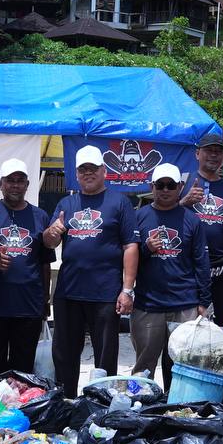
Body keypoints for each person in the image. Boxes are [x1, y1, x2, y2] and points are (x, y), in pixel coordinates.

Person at [43, 145, 139, 396]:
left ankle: (101, 403)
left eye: (92, 169)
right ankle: (65, 402)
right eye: (83, 169)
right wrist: (51, 234)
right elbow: (49, 242)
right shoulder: (67, 202)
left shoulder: (120, 202)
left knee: (105, 356)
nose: (88, 174)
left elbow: (130, 246)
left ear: (103, 171)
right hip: (69, 291)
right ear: (76, 173)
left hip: (106, 293)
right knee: (64, 354)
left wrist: (127, 289)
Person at [130, 164, 211, 385]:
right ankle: (139, 410)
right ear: (151, 186)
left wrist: (204, 301)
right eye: (160, 185)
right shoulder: (139, 216)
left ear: (180, 187)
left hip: (184, 304)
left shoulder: (192, 220)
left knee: (182, 366)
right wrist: (146, 248)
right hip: (148, 304)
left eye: (171, 185)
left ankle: (176, 410)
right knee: (143, 366)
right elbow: (127, 260)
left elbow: (201, 263)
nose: (165, 190)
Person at [0, 159, 54, 377]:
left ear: (27, 184)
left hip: (28, 304)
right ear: (0, 184)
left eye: (20, 181)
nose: (15, 185)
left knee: (22, 368)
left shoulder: (40, 216)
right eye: (10, 181)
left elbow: (44, 262)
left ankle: (20, 408)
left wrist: (45, 299)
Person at [180, 133, 223, 325]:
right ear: (197, 153)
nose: (213, 155)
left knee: (218, 327)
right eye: (209, 151)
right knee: (184, 327)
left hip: (220, 267)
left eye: (218, 152)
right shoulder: (182, 183)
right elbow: (164, 219)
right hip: (188, 266)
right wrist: (183, 202)